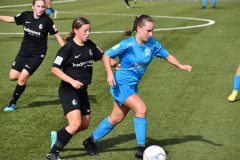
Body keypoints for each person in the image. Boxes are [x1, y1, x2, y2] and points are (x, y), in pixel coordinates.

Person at [82, 15, 192, 159]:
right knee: (141, 109)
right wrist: (109, 74)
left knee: (116, 118)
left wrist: (180, 65)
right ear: (139, 29)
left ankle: (90, 141)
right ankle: (141, 148)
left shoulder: (153, 44)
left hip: (132, 86)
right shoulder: (127, 44)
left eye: (152, 31)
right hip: (120, 84)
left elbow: (167, 55)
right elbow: (107, 55)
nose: (151, 34)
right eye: (148, 30)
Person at [46, 17, 119, 160]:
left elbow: (104, 57)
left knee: (84, 124)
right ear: (75, 31)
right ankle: (53, 153)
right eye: (85, 31)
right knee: (75, 123)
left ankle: (59, 135)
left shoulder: (90, 45)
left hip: (82, 90)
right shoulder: (67, 48)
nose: (88, 33)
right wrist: (72, 81)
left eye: (89, 30)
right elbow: (54, 69)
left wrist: (116, 64)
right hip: (68, 89)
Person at [0, 0, 64, 112]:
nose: (40, 9)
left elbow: (57, 36)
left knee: (22, 78)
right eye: (38, 6)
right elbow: (11, 19)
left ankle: (12, 103)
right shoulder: (26, 15)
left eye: (43, 7)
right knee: (12, 77)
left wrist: (66, 51)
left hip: (37, 54)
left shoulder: (47, 21)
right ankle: (22, 82)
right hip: (23, 51)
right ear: (33, 6)